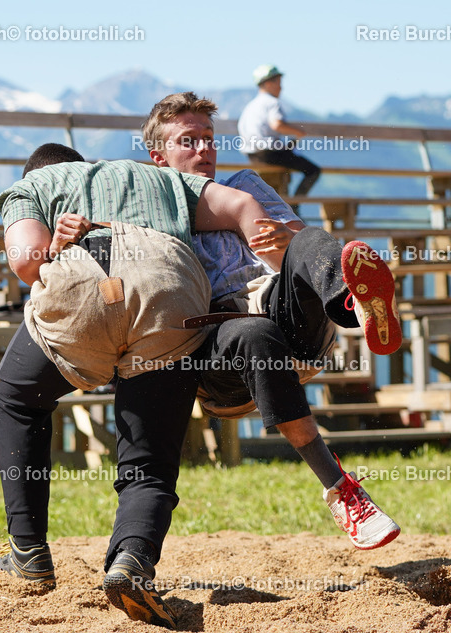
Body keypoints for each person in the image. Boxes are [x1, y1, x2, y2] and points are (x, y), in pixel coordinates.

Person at [0, 151, 288, 630]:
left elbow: (27, 263)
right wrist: (282, 273)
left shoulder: (31, 186)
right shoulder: (160, 178)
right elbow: (241, 206)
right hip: (168, 291)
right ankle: (132, 561)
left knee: (17, 399)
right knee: (150, 456)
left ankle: (29, 553)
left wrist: (57, 244)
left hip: (83, 282)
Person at [143, 93, 400, 544]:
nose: (204, 149)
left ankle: (358, 306)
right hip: (223, 350)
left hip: (288, 317)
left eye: (208, 138)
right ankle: (342, 491)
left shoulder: (245, 183)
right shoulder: (151, 214)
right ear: (158, 157)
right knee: (254, 332)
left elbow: (293, 249)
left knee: (313, 238)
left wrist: (288, 237)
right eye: (189, 141)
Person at [238, 65, 321, 198]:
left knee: (289, 153)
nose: (281, 87)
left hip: (252, 155)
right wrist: (298, 132)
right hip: (270, 154)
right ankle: (295, 203)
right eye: (278, 83)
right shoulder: (272, 103)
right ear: (268, 83)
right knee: (313, 171)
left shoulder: (250, 106)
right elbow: (277, 124)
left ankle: (286, 201)